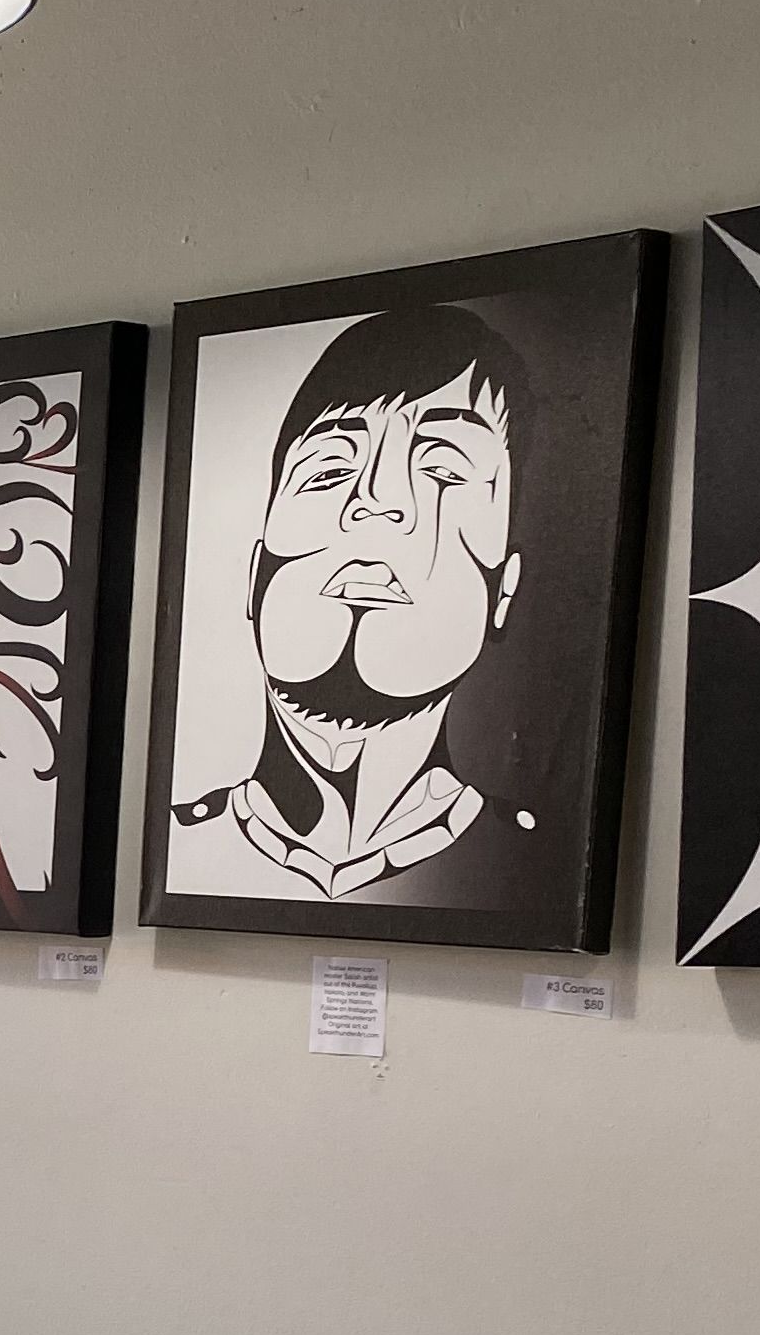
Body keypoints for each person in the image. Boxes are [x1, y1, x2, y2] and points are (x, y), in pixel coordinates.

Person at [170, 303, 538, 901]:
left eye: (444, 470)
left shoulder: (526, 863)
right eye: (328, 469)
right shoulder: (182, 843)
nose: (377, 500)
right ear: (255, 575)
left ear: (505, 589)